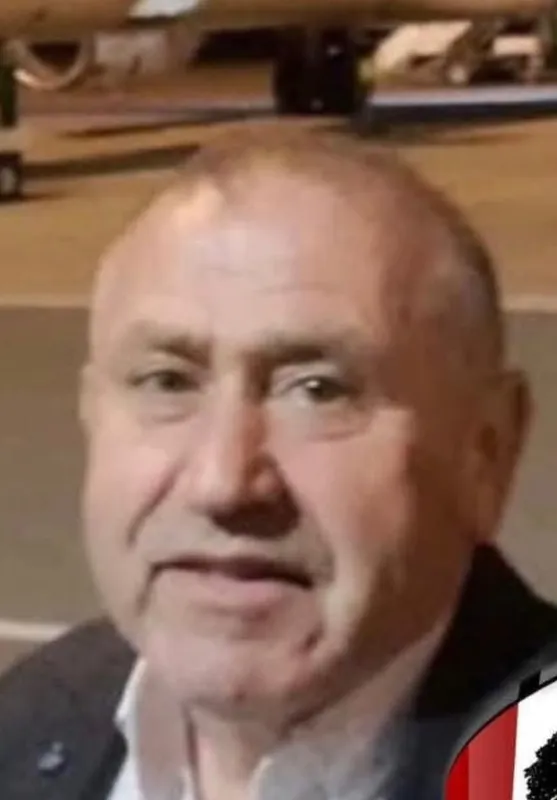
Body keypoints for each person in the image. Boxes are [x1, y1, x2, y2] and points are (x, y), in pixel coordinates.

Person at [0, 126, 556, 800]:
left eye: (318, 391)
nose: (222, 481)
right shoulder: (33, 719)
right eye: (167, 382)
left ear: (486, 449)